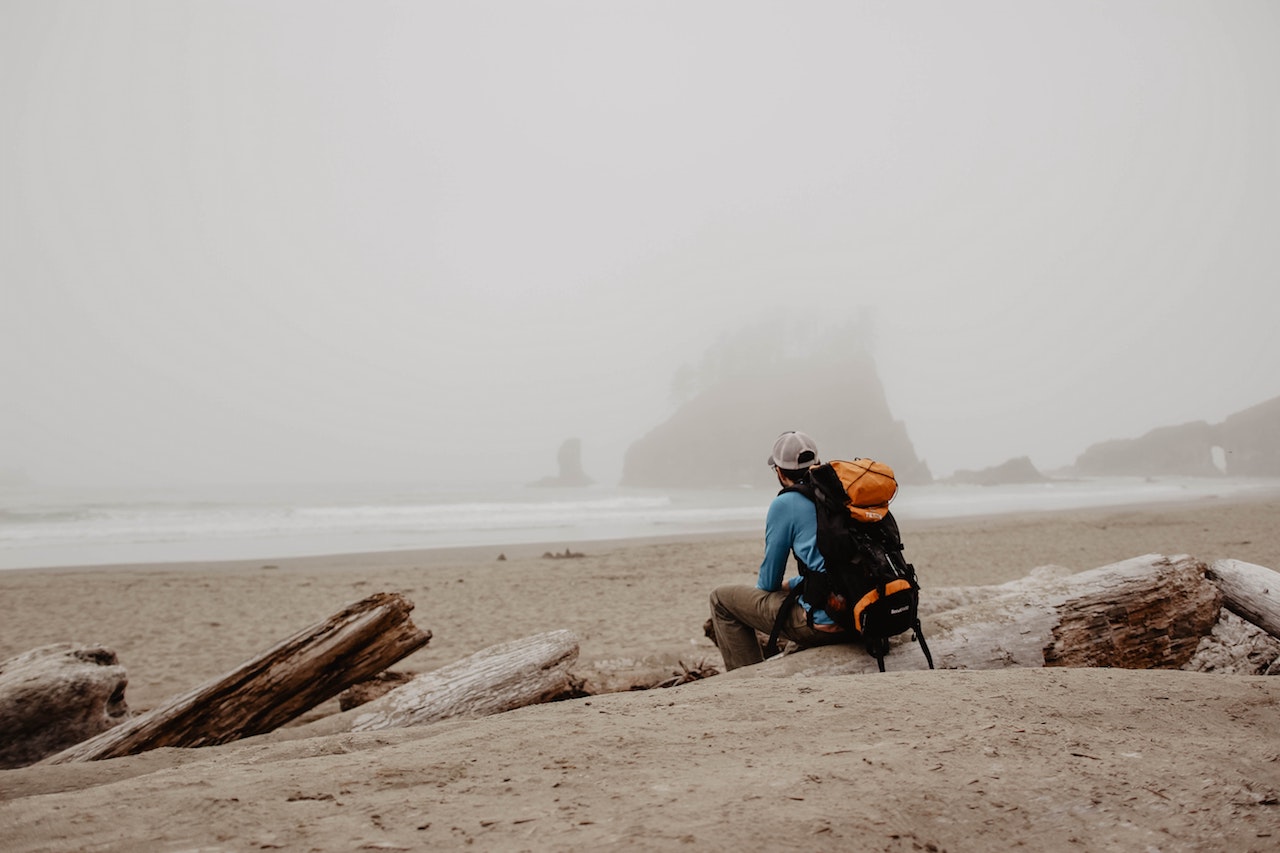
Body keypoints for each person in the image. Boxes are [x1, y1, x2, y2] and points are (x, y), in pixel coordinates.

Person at [708, 430, 851, 670]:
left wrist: (782, 587)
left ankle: (747, 681)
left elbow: (768, 583)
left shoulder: (785, 504)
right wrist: (794, 584)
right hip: (865, 612)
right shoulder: (842, 493)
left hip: (830, 623)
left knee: (720, 599)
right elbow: (837, 568)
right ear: (816, 463)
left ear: (779, 472)